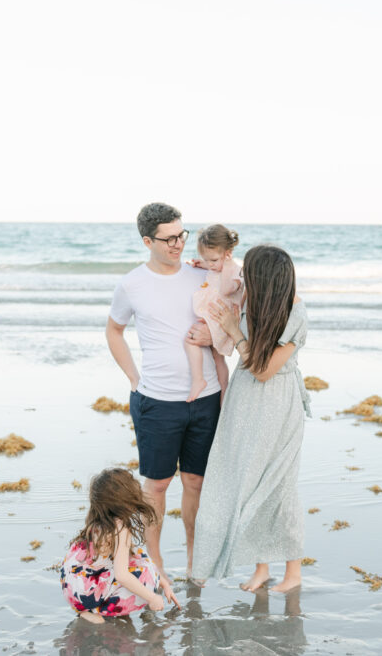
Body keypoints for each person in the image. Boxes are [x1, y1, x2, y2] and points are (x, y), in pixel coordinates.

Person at [106, 202, 221, 585]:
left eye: (182, 235)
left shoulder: (201, 275)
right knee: (156, 486)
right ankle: (156, 564)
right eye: (169, 238)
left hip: (206, 398)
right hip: (156, 401)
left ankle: (195, 559)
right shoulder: (132, 284)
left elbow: (230, 321)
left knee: (196, 482)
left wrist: (213, 335)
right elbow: (114, 331)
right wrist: (133, 379)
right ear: (147, 241)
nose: (178, 244)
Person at [190, 244, 312, 594]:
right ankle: (262, 568)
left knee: (278, 485)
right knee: (246, 481)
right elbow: (227, 272)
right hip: (244, 401)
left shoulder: (296, 313)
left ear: (265, 279)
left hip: (275, 400)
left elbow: (262, 370)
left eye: (249, 273)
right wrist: (206, 265)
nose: (242, 277)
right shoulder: (255, 298)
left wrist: (234, 328)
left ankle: (293, 573)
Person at [60, 468, 180, 623]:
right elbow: (122, 575)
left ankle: (86, 609)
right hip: (87, 593)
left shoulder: (96, 519)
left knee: (138, 557)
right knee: (145, 579)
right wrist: (153, 597)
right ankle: (97, 610)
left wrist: (162, 581)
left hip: (72, 587)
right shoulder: (121, 528)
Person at [185, 224, 244, 402]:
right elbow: (213, 268)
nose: (210, 265)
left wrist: (225, 264)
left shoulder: (234, 269)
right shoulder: (216, 265)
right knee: (217, 359)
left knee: (190, 340)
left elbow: (227, 289)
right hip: (215, 315)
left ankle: (199, 381)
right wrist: (201, 264)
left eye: (213, 260)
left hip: (221, 317)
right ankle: (223, 395)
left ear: (227, 253)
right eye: (206, 259)